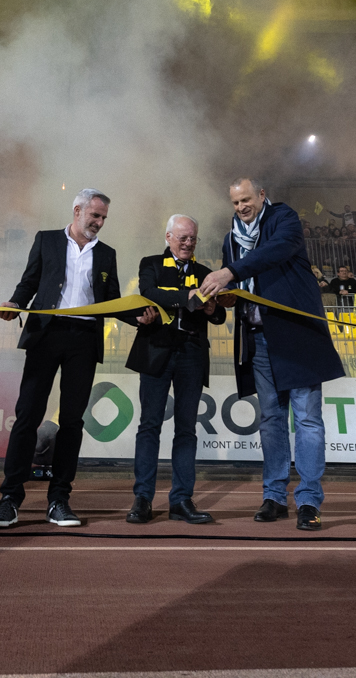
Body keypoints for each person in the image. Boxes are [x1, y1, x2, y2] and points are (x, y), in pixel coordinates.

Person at [199, 177, 344, 532]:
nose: (241, 207)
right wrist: (225, 295)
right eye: (235, 203)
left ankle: (308, 500)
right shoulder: (231, 238)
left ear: (262, 196)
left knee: (307, 420)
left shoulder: (284, 218)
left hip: (297, 336)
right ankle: (274, 496)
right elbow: (234, 282)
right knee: (271, 421)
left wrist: (231, 271)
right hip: (257, 338)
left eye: (246, 199)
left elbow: (276, 250)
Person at [0, 189, 123, 530]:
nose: (99, 222)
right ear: (77, 210)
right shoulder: (46, 240)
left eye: (103, 217)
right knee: (27, 415)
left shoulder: (107, 254)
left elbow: (115, 301)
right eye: (95, 215)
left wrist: (143, 316)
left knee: (73, 422)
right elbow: (29, 281)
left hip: (84, 341)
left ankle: (59, 499)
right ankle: (9, 499)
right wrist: (15, 303)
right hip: (45, 335)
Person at [124, 214, 226, 526]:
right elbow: (150, 293)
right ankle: (143, 498)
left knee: (186, 429)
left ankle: (181, 499)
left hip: (192, 355)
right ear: (168, 237)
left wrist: (212, 308)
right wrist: (189, 298)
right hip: (156, 352)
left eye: (192, 238)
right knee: (149, 425)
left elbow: (219, 315)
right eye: (182, 237)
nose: (188, 243)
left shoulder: (206, 272)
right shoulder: (151, 263)